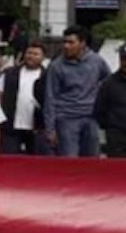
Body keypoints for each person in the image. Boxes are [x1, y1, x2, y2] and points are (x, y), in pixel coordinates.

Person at [43, 27, 110, 158]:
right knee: (69, 159)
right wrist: (50, 129)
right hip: (66, 118)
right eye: (64, 42)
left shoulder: (96, 61)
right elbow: (50, 97)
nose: (66, 46)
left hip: (91, 117)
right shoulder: (56, 66)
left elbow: (109, 82)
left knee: (92, 159)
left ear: (82, 43)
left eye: (71, 42)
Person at [0, 40, 47, 156]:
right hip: (10, 125)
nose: (31, 57)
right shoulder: (10, 73)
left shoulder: (47, 75)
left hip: (37, 126)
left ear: (43, 57)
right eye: (29, 53)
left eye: (35, 54)